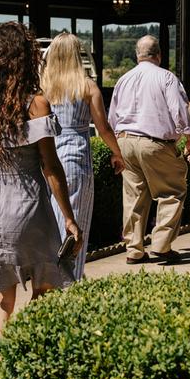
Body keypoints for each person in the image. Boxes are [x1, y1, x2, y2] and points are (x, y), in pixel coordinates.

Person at [0, 23, 81, 340]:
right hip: (27, 205)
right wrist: (69, 218)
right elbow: (51, 167)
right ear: (25, 59)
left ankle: (2, 366)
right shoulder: (35, 103)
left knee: (1, 297)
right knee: (46, 284)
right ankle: (33, 356)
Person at [40, 32, 124, 284]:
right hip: (76, 158)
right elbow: (104, 128)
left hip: (49, 160)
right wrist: (118, 153)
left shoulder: (44, 86)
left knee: (53, 224)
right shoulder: (87, 86)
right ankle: (69, 282)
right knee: (76, 223)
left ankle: (49, 279)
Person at [107, 34, 190, 264]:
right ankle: (161, 245)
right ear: (159, 55)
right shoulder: (166, 77)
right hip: (155, 143)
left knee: (134, 196)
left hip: (125, 141)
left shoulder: (123, 79)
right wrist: (189, 137)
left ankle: (134, 249)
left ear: (138, 55)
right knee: (172, 191)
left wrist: (115, 149)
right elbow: (179, 110)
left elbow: (112, 118)